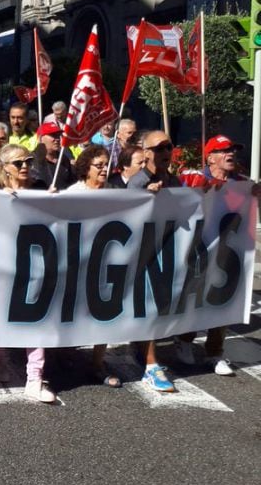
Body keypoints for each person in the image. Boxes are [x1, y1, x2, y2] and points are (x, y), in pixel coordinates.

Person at [175, 135, 261, 376]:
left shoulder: (243, 183)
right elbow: (172, 201)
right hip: (197, 250)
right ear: (210, 157)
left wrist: (255, 195)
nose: (230, 153)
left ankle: (215, 352)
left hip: (227, 253)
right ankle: (185, 339)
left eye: (232, 149)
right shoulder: (192, 177)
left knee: (223, 299)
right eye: (224, 150)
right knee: (194, 296)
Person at [0, 143, 56, 403]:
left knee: (36, 317)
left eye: (28, 160)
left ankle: (35, 377)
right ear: (4, 168)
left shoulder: (40, 189)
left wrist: (58, 200)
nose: (25, 166)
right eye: (18, 163)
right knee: (0, 315)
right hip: (1, 263)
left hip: (36, 264)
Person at [62, 145, 122, 388]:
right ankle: (64, 354)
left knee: (104, 312)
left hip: (106, 262)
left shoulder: (116, 193)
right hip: (78, 262)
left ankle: (98, 363)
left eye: (107, 164)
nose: (104, 169)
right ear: (86, 167)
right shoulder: (73, 194)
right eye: (99, 165)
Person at [125, 130, 179, 392]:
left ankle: (145, 349)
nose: (165, 152)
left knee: (157, 307)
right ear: (145, 152)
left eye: (168, 146)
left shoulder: (174, 180)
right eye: (159, 148)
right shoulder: (138, 181)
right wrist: (147, 194)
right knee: (148, 306)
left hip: (167, 251)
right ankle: (150, 365)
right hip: (142, 254)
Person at [30, 123, 76, 190]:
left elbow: (71, 184)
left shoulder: (64, 159)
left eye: (58, 136)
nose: (57, 139)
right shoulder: (32, 160)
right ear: (40, 138)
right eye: (53, 135)